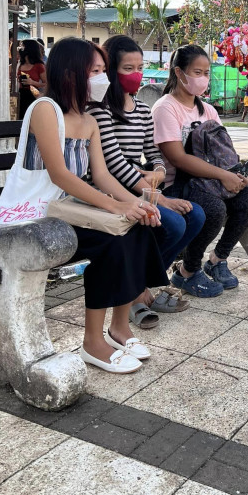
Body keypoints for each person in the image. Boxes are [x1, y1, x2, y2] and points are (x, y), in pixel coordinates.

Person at [27, 37, 168, 374]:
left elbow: (102, 175)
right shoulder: (46, 110)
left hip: (69, 210)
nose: (102, 78)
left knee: (137, 226)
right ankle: (92, 342)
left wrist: (137, 204)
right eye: (95, 71)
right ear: (70, 73)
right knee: (111, 240)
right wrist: (115, 207)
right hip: (36, 213)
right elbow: (60, 175)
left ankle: (120, 327)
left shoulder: (88, 120)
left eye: (104, 70)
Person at [87, 35, 207, 327]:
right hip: (110, 189)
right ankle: (134, 293)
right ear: (110, 70)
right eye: (128, 68)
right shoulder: (99, 109)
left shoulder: (141, 108)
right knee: (173, 221)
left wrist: (158, 172)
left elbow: (154, 154)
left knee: (195, 215)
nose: (137, 74)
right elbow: (112, 162)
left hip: (140, 184)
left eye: (140, 67)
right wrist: (160, 198)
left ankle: (138, 286)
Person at [152, 45, 248, 295]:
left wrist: (235, 174)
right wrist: (223, 176)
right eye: (197, 72)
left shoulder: (208, 110)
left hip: (211, 180)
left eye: (206, 73)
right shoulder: (165, 108)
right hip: (178, 184)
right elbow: (177, 158)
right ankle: (187, 272)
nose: (203, 79)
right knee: (213, 208)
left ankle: (217, 260)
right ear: (179, 73)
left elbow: (222, 148)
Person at [17, 39, 46, 119]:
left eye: (22, 46)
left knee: (31, 118)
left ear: (29, 48)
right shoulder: (18, 64)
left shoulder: (39, 65)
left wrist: (32, 82)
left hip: (32, 95)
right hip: (19, 95)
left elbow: (46, 83)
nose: (19, 48)